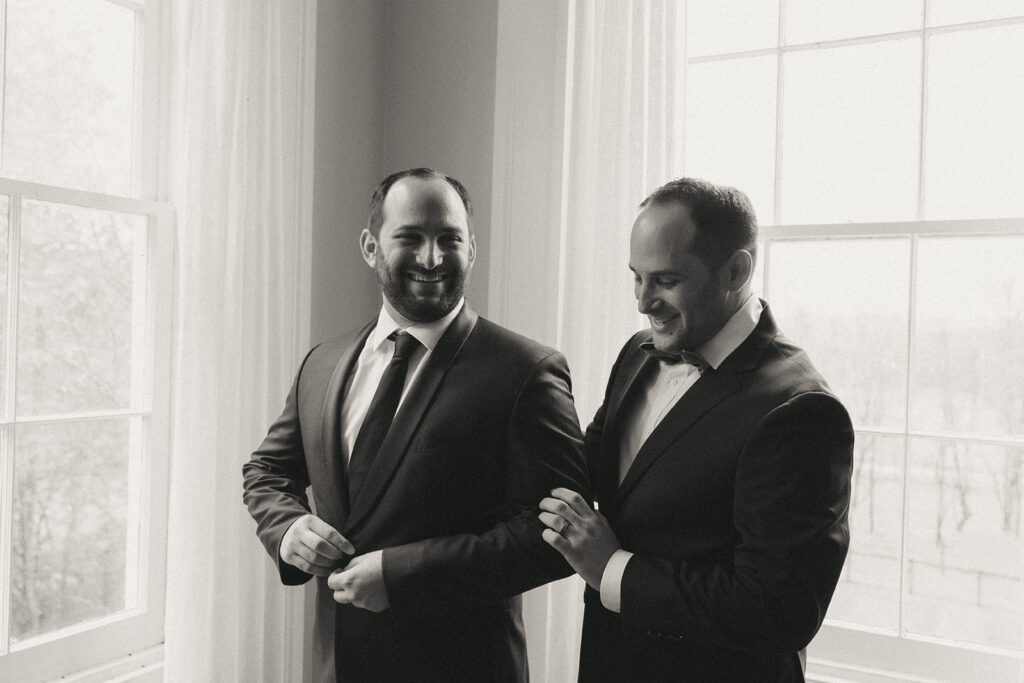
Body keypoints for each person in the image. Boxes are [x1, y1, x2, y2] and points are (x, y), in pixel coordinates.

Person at [243, 168, 588, 683]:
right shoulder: (322, 361)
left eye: (450, 239)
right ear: (370, 246)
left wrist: (405, 576)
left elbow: (556, 536)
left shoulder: (526, 371)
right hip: (334, 667)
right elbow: (267, 469)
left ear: (472, 248)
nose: (432, 258)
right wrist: (287, 527)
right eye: (410, 237)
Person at [539, 177, 853, 682]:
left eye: (665, 281)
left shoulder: (801, 410)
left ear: (736, 270)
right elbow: (584, 468)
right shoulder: (638, 354)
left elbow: (778, 609)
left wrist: (612, 570)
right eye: (635, 278)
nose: (643, 301)